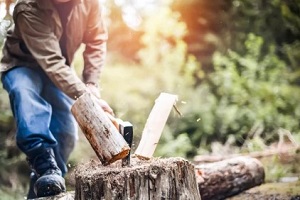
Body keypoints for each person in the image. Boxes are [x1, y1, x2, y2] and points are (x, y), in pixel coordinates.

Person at [0, 0, 113, 198]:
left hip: (60, 70)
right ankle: (43, 162)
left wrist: (92, 84)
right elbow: (51, 61)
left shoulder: (90, 3)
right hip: (21, 65)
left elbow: (96, 40)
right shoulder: (28, 7)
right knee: (25, 96)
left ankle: (48, 185)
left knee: (66, 132)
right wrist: (86, 97)